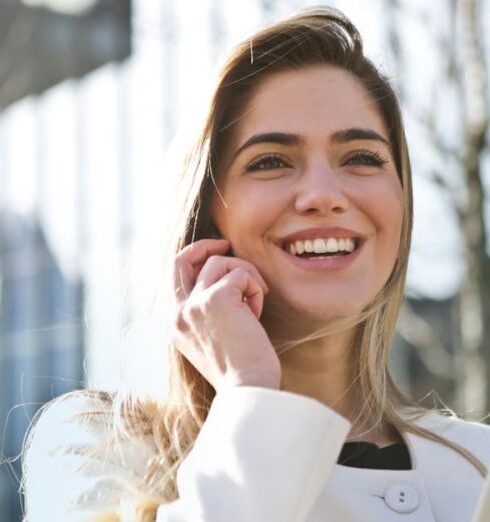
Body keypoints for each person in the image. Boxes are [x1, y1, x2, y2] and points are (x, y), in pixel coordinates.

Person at [21, 6, 490, 522]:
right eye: (270, 161)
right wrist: (249, 393)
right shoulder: (99, 450)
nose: (323, 195)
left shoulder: (477, 466)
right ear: (205, 216)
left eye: (362, 157)